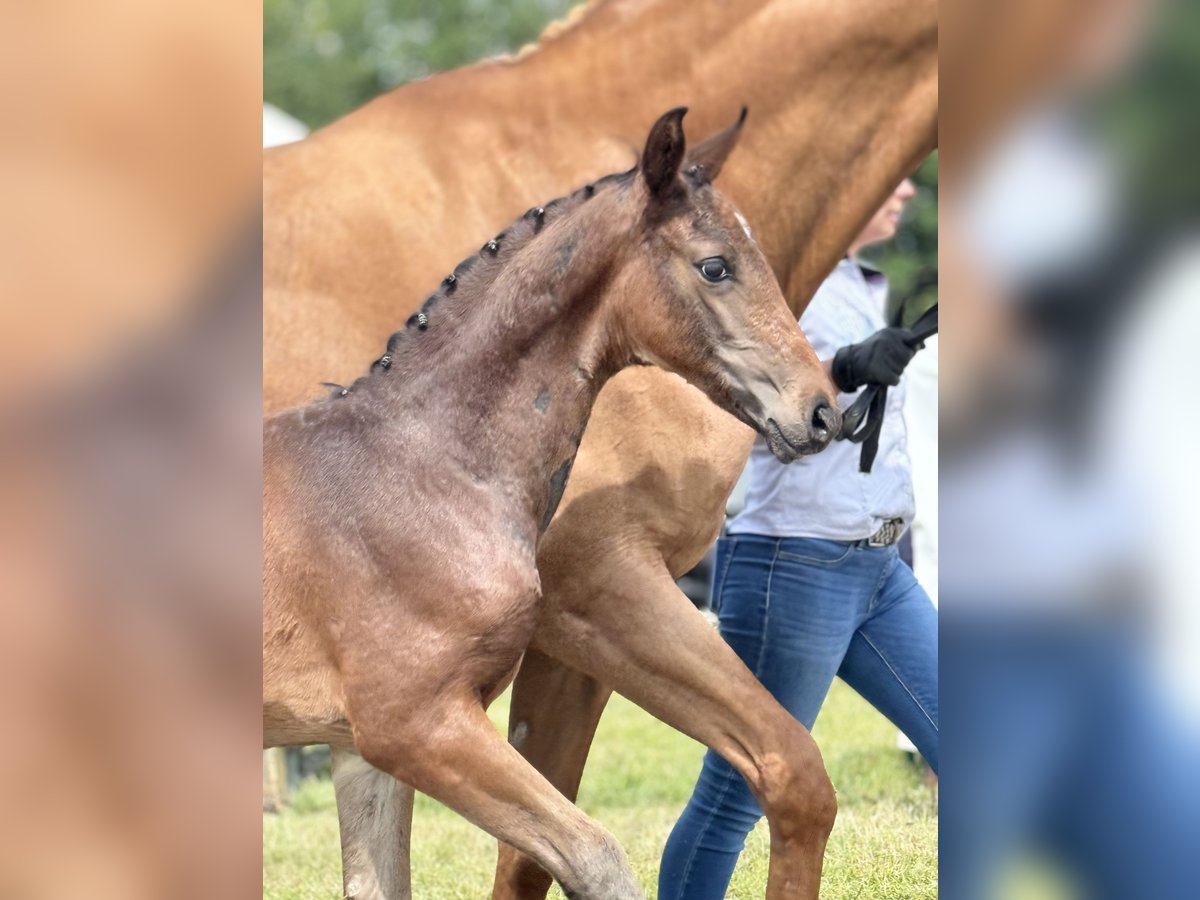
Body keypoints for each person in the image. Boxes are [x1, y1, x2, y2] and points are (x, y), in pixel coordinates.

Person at [658, 178, 938, 899]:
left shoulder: (856, 283)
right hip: (795, 563)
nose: (907, 188)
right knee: (740, 789)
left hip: (878, 566)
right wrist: (846, 368)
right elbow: (756, 411)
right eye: (891, 178)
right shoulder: (778, 285)